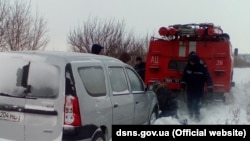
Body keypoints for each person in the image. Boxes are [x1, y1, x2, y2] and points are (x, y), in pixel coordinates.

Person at [180, 53, 213, 121]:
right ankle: (190, 114)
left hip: (198, 90)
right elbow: (184, 77)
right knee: (189, 103)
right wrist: (183, 84)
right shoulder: (187, 67)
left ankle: (197, 116)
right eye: (190, 61)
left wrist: (210, 86)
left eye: (192, 61)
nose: (191, 62)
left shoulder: (202, 68)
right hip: (190, 89)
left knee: (196, 103)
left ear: (196, 61)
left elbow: (208, 78)